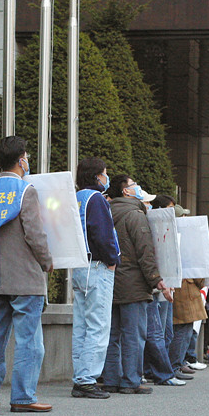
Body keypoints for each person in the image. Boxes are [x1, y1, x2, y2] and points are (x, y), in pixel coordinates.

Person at [0, 136, 54, 413]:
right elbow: (35, 233)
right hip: (25, 278)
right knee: (29, 340)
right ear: (21, 160)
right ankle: (23, 397)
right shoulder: (26, 190)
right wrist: (47, 261)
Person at [102, 175, 173, 394]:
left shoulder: (106, 212)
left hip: (108, 281)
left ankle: (111, 379)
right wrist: (157, 280)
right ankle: (131, 380)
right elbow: (145, 251)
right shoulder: (135, 215)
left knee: (112, 334)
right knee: (133, 334)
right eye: (134, 185)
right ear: (126, 191)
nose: (138, 188)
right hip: (133, 283)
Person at [70, 158, 120, 400]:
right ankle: (86, 379)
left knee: (81, 325)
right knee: (99, 325)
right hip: (97, 266)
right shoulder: (97, 199)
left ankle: (80, 376)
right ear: (97, 176)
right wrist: (113, 259)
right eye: (104, 174)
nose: (106, 178)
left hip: (79, 266)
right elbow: (103, 234)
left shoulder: (76, 197)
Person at [143, 194, 185, 386]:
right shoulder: (146, 224)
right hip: (156, 286)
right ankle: (160, 372)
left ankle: (159, 370)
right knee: (156, 333)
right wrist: (160, 282)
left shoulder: (166, 228)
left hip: (164, 285)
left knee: (165, 332)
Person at [169, 278, 208, 375]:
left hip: (184, 288)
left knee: (184, 331)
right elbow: (198, 275)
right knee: (183, 331)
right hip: (186, 290)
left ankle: (179, 363)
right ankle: (175, 365)